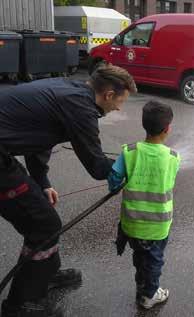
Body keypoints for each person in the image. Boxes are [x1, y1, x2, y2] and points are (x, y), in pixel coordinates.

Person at [0, 64, 137, 317]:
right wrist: (128, 168)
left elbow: (39, 138)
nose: (119, 108)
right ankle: (20, 304)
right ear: (108, 95)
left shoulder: (71, 90)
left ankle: (44, 275)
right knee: (44, 224)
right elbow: (96, 165)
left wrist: (42, 183)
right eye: (119, 101)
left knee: (43, 219)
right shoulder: (81, 107)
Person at [108, 101, 181, 310]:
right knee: (155, 260)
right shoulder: (173, 157)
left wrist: (115, 185)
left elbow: (114, 178)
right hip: (157, 226)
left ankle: (142, 282)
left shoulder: (129, 152)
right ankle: (150, 295)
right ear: (167, 129)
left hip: (131, 222)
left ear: (144, 125)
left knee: (140, 254)